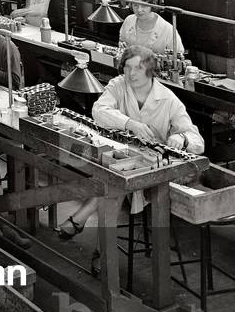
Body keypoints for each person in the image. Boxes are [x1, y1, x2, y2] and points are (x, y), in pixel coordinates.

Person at [57, 46, 203, 240]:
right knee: (116, 178)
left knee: (115, 181)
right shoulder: (118, 85)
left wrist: (181, 138)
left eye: (138, 68)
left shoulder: (168, 99)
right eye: (127, 67)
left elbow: (198, 142)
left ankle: (82, 224)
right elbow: (99, 111)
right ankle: (101, 254)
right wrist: (130, 123)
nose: (131, 73)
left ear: (150, 70)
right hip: (126, 159)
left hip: (156, 168)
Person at [119, 0, 184, 55]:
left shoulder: (168, 29)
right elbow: (122, 40)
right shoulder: (129, 20)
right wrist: (122, 45)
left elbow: (179, 55)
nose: (139, 10)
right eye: (135, 5)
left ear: (152, 5)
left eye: (144, 5)